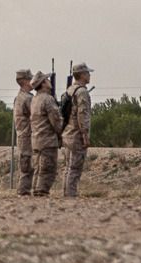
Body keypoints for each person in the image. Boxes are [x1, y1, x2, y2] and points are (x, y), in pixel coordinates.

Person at [62, 62, 93, 197]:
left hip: (68, 132)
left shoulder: (70, 90)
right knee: (74, 168)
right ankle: (71, 195)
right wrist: (85, 134)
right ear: (81, 75)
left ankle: (67, 193)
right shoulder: (81, 92)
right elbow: (82, 114)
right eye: (87, 73)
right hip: (76, 134)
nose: (89, 75)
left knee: (68, 168)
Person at [28, 71, 62, 196]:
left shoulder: (35, 99)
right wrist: (61, 134)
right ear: (43, 84)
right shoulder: (48, 99)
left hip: (36, 140)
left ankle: (36, 192)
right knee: (47, 170)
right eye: (47, 80)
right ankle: (41, 193)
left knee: (38, 169)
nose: (49, 81)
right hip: (47, 140)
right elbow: (56, 121)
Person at [11, 68, 34, 196]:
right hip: (27, 136)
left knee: (26, 166)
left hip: (23, 136)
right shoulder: (27, 99)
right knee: (27, 168)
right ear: (25, 81)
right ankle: (23, 193)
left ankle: (24, 192)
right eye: (31, 79)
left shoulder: (19, 97)